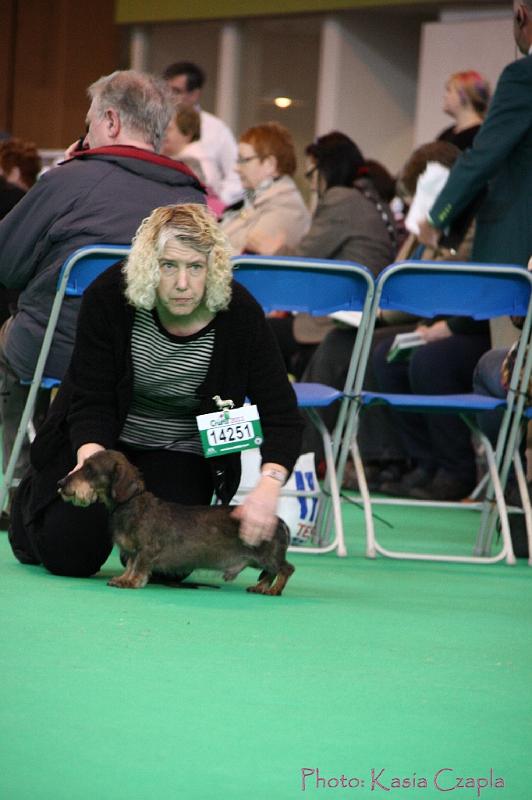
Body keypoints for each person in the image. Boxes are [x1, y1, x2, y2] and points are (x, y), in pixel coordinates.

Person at [8, 204, 303, 577]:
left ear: (212, 267)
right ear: (149, 266)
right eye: (169, 266)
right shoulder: (110, 297)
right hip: (104, 442)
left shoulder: (240, 314)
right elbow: (91, 399)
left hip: (180, 447)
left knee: (169, 568)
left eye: (195, 267)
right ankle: (31, 503)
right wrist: (92, 462)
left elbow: (282, 415)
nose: (183, 283)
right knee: (69, 555)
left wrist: (267, 487)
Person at [0, 70, 205, 505]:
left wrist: (66, 172)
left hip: (61, 349)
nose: (87, 133)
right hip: (157, 362)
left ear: (110, 122)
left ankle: (16, 481)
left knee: (8, 342)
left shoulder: (68, 180)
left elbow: (7, 265)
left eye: (89, 123)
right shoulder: (194, 197)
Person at [269, 131, 397, 379]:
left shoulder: (341, 200)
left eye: (311, 175)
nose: (312, 185)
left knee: (250, 334)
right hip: (362, 315)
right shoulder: (372, 199)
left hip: (337, 319)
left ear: (326, 170)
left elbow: (300, 260)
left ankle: (237, 415)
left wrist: (274, 248)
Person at [419, 1, 532, 268]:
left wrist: (436, 217)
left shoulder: (522, 76)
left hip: (516, 242)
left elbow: (483, 156)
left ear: (521, 15)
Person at [221, 122, 310, 257]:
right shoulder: (261, 201)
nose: (236, 168)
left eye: (243, 160)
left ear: (270, 164)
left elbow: (247, 262)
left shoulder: (285, 208)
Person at [163, 61, 243, 206]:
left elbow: (236, 176)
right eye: (165, 90)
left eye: (176, 91)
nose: (169, 97)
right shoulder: (155, 121)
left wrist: (214, 207)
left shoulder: (216, 129)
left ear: (194, 94)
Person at [161, 106, 225, 216]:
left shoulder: (196, 161)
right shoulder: (199, 157)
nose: (164, 134)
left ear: (187, 133)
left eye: (169, 129)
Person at [436, 70, 491, 151]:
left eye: (449, 90)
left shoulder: (483, 137)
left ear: (465, 95)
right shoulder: (445, 135)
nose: (445, 96)